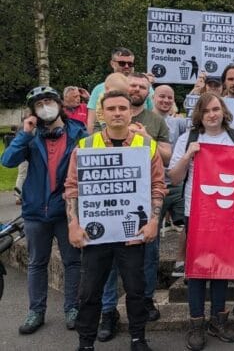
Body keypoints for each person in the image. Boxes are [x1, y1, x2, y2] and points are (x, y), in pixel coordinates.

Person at [64, 90, 166, 351]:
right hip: (95, 234)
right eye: (112, 109)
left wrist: (154, 220)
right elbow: (72, 188)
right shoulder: (85, 146)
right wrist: (73, 224)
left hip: (133, 233)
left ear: (131, 112)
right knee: (89, 292)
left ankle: (138, 338)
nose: (118, 113)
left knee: (136, 290)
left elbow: (157, 186)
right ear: (103, 113)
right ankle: (86, 343)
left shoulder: (146, 146)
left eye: (123, 108)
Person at [1, 87, 87, 334]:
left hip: (65, 210)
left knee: (72, 262)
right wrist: (25, 134)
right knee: (37, 263)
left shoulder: (78, 132)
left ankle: (72, 308)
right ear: (33, 111)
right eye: (39, 104)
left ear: (59, 104)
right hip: (35, 211)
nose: (45, 107)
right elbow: (7, 161)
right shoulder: (31, 135)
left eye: (49, 101)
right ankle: (35, 311)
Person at [96, 73, 171, 339]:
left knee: (148, 255)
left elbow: (166, 157)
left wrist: (147, 138)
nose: (137, 89)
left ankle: (146, 300)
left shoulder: (155, 120)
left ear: (147, 93)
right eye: (134, 85)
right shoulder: (102, 120)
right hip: (108, 203)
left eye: (143, 86)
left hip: (144, 200)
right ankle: (108, 311)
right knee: (108, 258)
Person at [168, 93, 234, 350]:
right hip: (196, 212)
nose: (212, 114)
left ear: (223, 111)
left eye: (216, 109)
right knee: (197, 270)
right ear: (199, 115)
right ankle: (196, 322)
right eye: (207, 111)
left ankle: (218, 319)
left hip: (226, 211)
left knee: (220, 268)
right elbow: (175, 178)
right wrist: (189, 155)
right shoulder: (187, 138)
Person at [152, 85, 188, 275]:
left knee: (188, 224)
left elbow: (195, 121)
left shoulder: (178, 123)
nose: (166, 101)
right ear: (153, 97)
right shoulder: (145, 121)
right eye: (162, 97)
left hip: (176, 184)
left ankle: (181, 262)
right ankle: (152, 271)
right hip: (153, 186)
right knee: (151, 234)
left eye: (169, 98)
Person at [87, 47, 153, 133]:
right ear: (112, 64)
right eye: (122, 63)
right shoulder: (99, 89)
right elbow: (91, 121)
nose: (126, 66)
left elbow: (154, 114)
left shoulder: (145, 87)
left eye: (130, 64)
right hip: (105, 138)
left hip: (137, 137)